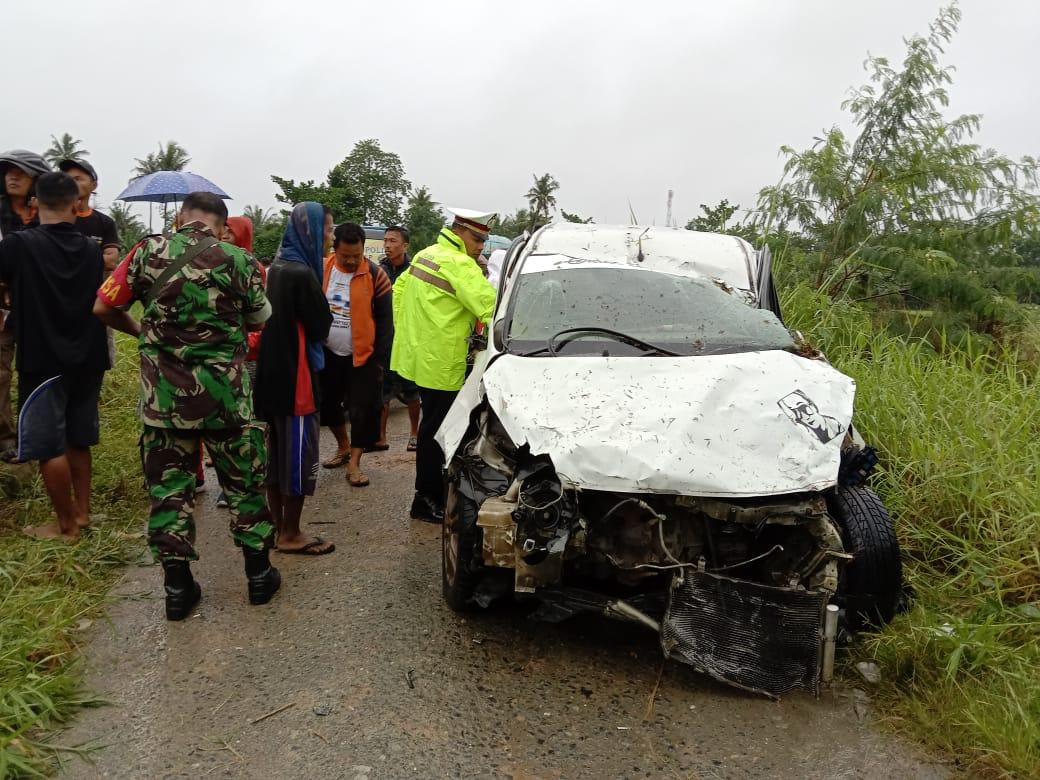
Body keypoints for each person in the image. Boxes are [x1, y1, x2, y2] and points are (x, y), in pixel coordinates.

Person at [93, 191, 280, 621]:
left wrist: (143, 331)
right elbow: (259, 319)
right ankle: (258, 576)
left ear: (180, 218)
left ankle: (177, 589)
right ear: (222, 225)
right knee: (244, 486)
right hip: (226, 400)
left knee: (169, 492)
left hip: (164, 400)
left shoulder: (145, 251)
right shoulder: (241, 260)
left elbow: (103, 305)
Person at [0, 172, 109, 539]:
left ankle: (65, 526)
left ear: (35, 202)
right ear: (76, 204)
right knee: (79, 439)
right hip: (89, 357)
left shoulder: (18, 244)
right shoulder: (91, 249)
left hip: (42, 358)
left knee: (50, 446)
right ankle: (82, 514)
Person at [391, 208, 498, 522]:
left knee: (431, 428)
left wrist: (413, 331)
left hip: (422, 357)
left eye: (484, 240)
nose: (481, 246)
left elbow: (399, 291)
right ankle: (427, 499)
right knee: (440, 434)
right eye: (477, 239)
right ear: (459, 231)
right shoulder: (459, 264)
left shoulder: (425, 254)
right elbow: (493, 308)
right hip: (445, 363)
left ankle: (429, 495)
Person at [253, 202, 335, 556]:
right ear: (311, 232)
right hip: (297, 378)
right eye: (327, 230)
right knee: (298, 458)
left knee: (276, 457)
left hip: (270, 376)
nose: (330, 237)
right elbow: (321, 324)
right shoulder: (301, 274)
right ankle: (291, 533)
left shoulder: (275, 269)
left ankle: (276, 525)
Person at [318, 222, 393, 486]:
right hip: (327, 353)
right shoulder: (322, 269)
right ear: (334, 249)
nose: (351, 261)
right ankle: (343, 446)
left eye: (356, 256)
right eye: (345, 256)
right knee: (328, 405)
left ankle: (355, 463)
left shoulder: (376, 275)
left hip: (363, 356)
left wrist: (378, 361)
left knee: (363, 410)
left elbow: (385, 322)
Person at [0, 150, 51, 459]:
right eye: (8, 171)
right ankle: (5, 437)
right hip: (3, 307)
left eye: (20, 172)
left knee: (38, 371)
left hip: (38, 307)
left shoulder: (51, 213)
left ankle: (33, 434)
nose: (12, 177)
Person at [374, 225, 420, 452]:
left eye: (393, 241)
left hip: (407, 339)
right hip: (384, 339)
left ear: (405, 245)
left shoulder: (415, 271)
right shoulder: (379, 270)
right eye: (386, 241)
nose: (387, 245)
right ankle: (380, 437)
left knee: (411, 390)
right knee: (383, 390)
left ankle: (415, 433)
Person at [57, 158, 120, 273]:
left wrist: (71, 261)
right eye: (67, 180)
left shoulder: (105, 222)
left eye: (78, 179)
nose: (72, 183)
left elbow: (111, 261)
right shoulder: (53, 218)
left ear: (94, 185)